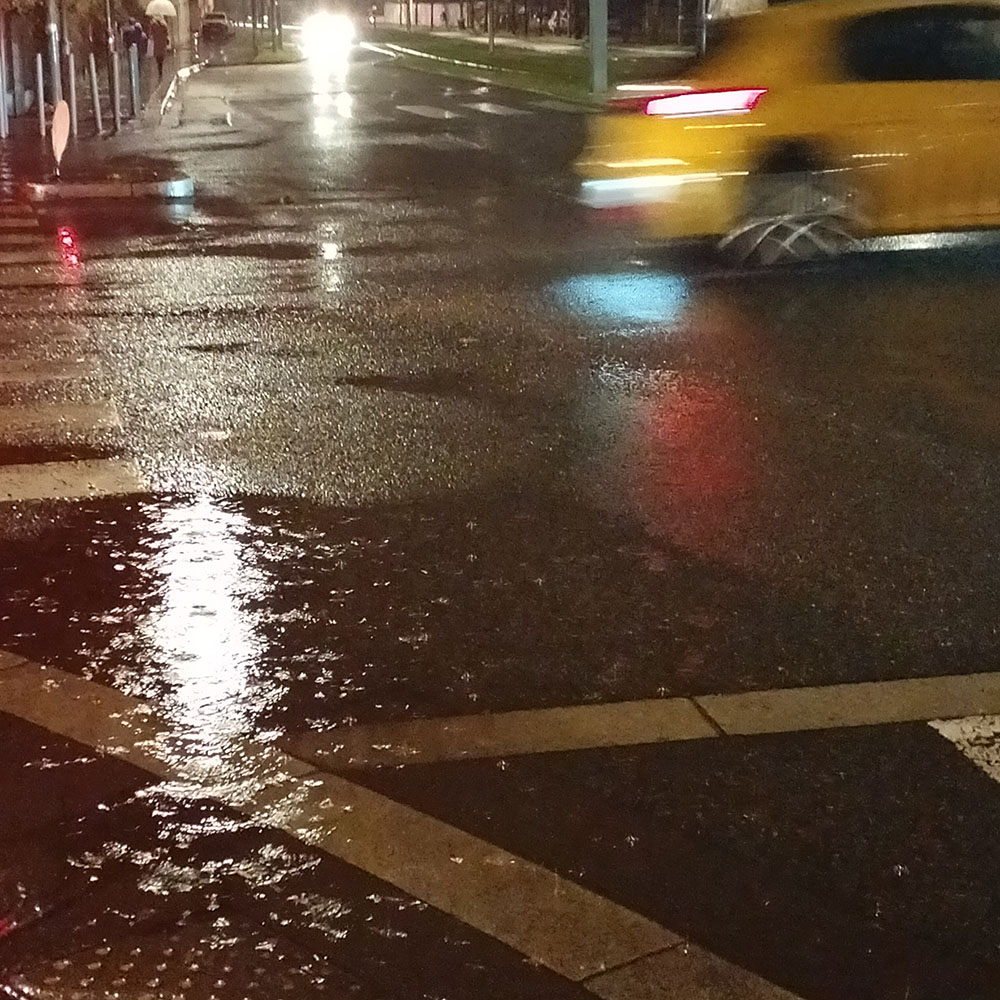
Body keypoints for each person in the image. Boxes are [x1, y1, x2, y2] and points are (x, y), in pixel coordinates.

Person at [150, 16, 169, 81]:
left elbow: (151, 35)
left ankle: (160, 72)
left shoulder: (154, 26)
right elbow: (166, 35)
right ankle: (160, 72)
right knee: (161, 59)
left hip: (157, 45)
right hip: (162, 46)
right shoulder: (164, 26)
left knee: (158, 60)